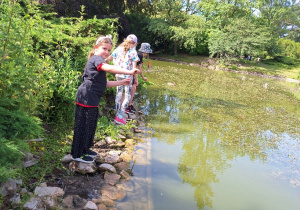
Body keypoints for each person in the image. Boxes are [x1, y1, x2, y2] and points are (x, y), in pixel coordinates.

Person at [71, 35, 140, 163]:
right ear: (96, 48)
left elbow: (105, 83)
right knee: (83, 126)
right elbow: (109, 68)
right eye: (105, 49)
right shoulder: (96, 59)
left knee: (90, 126)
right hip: (86, 97)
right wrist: (129, 71)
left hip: (92, 98)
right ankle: (76, 153)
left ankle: (85, 149)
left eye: (109, 50)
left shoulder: (100, 61)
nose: (107, 52)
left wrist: (122, 82)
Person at [107, 34, 140, 125]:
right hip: (128, 77)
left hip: (118, 74)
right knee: (127, 96)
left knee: (119, 93)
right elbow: (134, 68)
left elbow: (108, 59)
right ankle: (120, 116)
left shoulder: (118, 49)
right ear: (135, 43)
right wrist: (135, 78)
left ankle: (116, 114)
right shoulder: (133, 51)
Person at [126, 42, 152, 113]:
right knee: (133, 88)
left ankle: (129, 104)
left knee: (132, 89)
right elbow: (138, 69)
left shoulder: (139, 54)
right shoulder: (139, 56)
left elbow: (139, 68)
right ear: (146, 51)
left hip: (129, 72)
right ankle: (128, 106)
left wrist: (143, 77)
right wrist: (137, 79)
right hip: (130, 73)